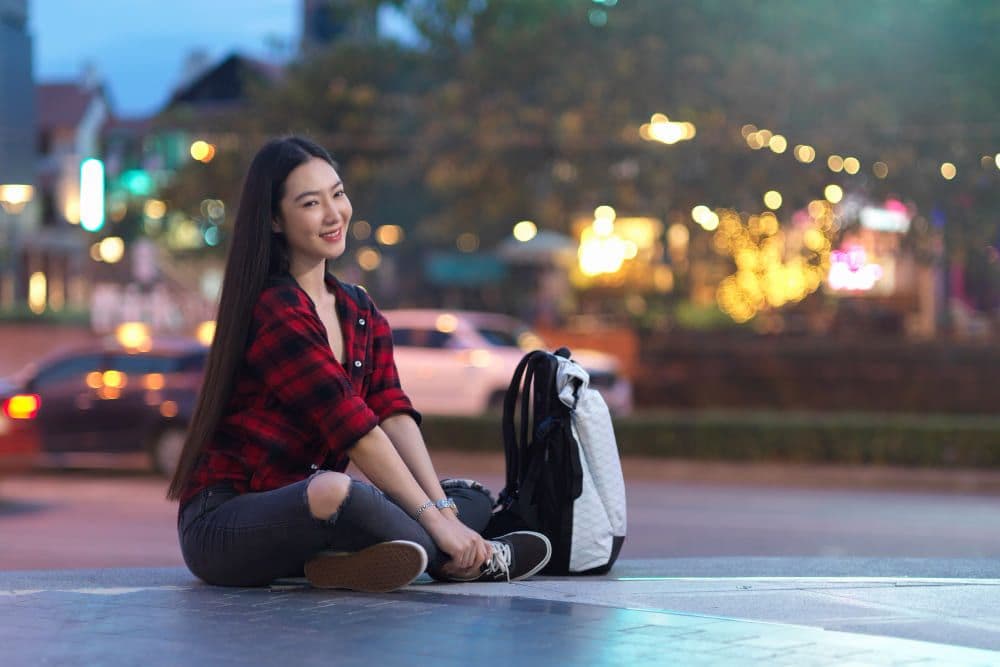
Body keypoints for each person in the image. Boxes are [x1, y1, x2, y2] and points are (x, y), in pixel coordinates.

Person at [167, 136, 551, 592]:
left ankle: (353, 559)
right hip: (227, 524)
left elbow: (390, 411)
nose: (334, 215)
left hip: (314, 511)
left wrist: (444, 510)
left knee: (469, 496)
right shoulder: (273, 309)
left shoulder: (359, 308)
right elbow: (354, 428)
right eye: (311, 203)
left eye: (338, 193)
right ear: (274, 218)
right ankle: (453, 560)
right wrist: (441, 524)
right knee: (337, 491)